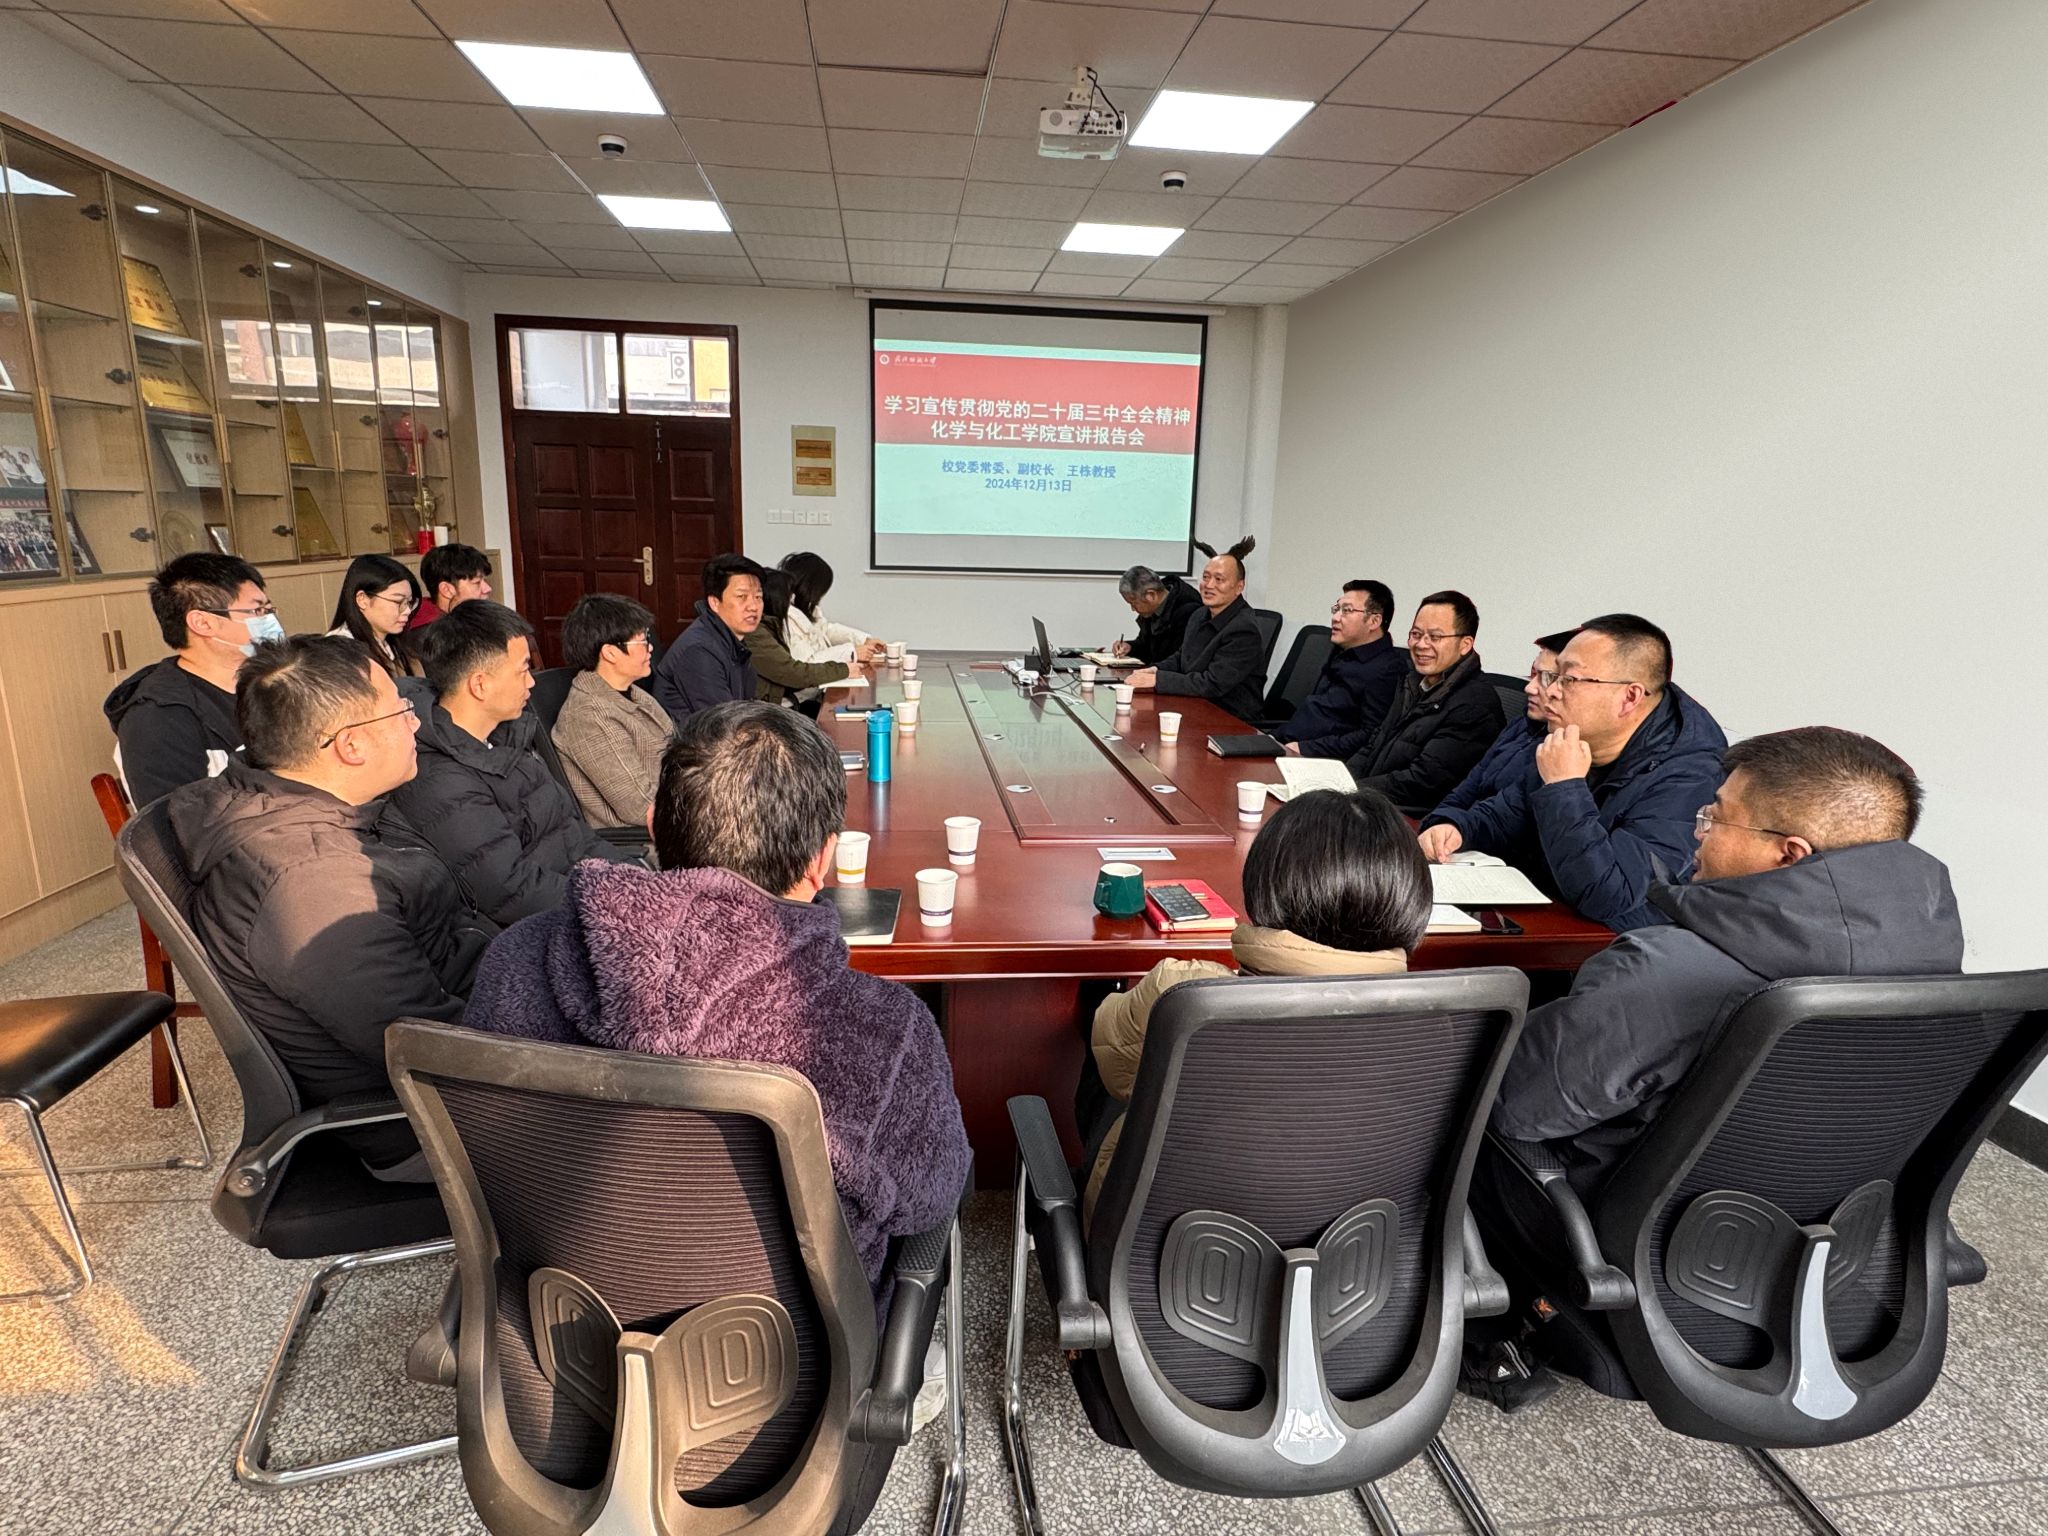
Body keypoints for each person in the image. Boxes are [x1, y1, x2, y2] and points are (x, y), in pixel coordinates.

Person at [464, 700, 971, 1295]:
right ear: (823, 859)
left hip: (556, 1320)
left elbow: (490, 1157)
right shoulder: (886, 1027)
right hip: (788, 1343)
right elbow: (927, 1198)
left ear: (654, 827)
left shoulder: (515, 960)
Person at [1490, 726, 1961, 1190]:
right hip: (1833, 1220)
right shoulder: (1949, 984)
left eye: (1714, 819)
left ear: (1788, 854)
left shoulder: (1662, 970)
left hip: (1578, 1212)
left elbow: (1512, 1106)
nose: (1698, 836)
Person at [166, 635, 496, 1178]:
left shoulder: (315, 804)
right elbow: (434, 1050)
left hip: (479, 1014)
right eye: (402, 710)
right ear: (351, 745)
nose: (416, 723)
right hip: (442, 1125)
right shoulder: (315, 884)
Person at [1080, 787, 1431, 1219]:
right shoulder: (1441, 1022)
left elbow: (1110, 1057)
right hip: (1361, 1244)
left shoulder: (1188, 996)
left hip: (1161, 1243)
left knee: (1115, 1068)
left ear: (1266, 886)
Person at [1419, 615, 1727, 931]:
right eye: (1553, 676)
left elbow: (1611, 896)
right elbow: (1505, 814)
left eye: (1568, 679)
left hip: (1614, 943)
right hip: (1549, 910)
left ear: (1630, 697)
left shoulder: (1689, 777)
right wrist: (1457, 826)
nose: (1551, 691)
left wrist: (1564, 786)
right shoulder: (1572, 736)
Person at [393, 600, 631, 926]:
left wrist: (634, 880)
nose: (531, 682)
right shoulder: (442, 782)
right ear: (480, 684)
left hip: (587, 899)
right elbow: (511, 892)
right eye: (522, 670)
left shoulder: (507, 738)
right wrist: (617, 904)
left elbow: (578, 839)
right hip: (549, 927)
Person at [105, 552, 282, 807]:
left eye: (268, 609)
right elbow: (176, 820)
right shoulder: (158, 717)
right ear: (202, 623)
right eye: (257, 610)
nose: (270, 620)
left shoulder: (274, 682)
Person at [1345, 590, 1504, 816]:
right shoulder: (1412, 682)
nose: (1421, 644)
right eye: (1416, 634)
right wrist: (1338, 781)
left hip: (1410, 816)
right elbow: (1374, 744)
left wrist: (1350, 792)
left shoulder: (1474, 705)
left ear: (1465, 644)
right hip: (1373, 800)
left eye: (1435, 637)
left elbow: (1423, 781)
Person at [550, 592, 674, 828]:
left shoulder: (634, 694)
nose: (650, 648)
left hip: (679, 811)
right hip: (644, 836)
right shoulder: (590, 715)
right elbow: (641, 807)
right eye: (642, 642)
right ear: (610, 653)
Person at [1429, 629, 1579, 824]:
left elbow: (1506, 821)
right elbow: (1467, 788)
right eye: (1534, 674)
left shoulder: (1563, 754)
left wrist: (1452, 827)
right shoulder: (1521, 725)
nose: (1529, 687)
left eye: (1546, 677)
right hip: (1461, 828)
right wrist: (1438, 822)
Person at [1127, 536, 1267, 722]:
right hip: (1196, 706)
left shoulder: (1243, 630)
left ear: (1239, 587)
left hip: (1229, 719)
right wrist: (1154, 670)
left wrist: (1158, 680)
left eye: (1219, 579)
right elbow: (1181, 657)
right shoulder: (1199, 614)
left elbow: (1212, 683)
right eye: (1206, 577)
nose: (1209, 585)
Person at [1273, 579, 1408, 759]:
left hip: (1316, 759)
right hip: (1287, 742)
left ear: (1374, 621)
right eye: (1336, 609)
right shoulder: (1342, 652)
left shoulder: (1386, 669)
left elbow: (1371, 737)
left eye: (1347, 610)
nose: (1335, 618)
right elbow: (1318, 712)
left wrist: (1305, 748)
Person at [650, 553, 764, 721]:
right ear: (714, 603)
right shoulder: (698, 650)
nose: (753, 606)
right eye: (742, 597)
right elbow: (723, 722)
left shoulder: (732, 641)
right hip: (696, 736)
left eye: (758, 597)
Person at [746, 567, 864, 706]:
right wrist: (843, 669)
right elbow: (793, 672)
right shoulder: (756, 632)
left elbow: (824, 629)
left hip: (788, 698)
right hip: (776, 705)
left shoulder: (770, 624)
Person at [778, 551, 887, 667]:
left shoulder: (805, 608)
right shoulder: (786, 619)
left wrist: (863, 640)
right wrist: (851, 653)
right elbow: (807, 664)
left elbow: (825, 631)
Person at [328, 553, 424, 678]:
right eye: (398, 602)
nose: (407, 611)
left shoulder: (395, 644)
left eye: (410, 602)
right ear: (362, 599)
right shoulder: (340, 652)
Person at [1111, 564, 1202, 666]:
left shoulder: (1188, 612)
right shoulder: (1151, 611)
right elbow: (1146, 648)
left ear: (1151, 595)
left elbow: (1179, 660)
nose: (1133, 609)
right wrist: (1130, 647)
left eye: (1133, 603)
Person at [408, 543, 493, 630]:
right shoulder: (432, 633)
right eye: (477, 582)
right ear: (446, 590)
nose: (488, 589)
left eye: (485, 581)